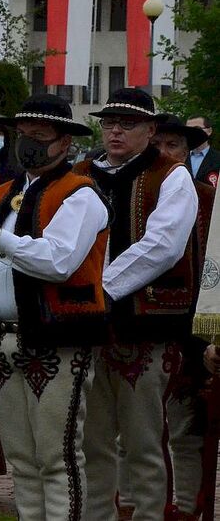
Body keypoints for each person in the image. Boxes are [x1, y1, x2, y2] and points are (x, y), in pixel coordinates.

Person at [0, 94, 110, 521]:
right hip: (2, 337)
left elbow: (58, 261)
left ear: (64, 143)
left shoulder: (80, 194)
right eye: (23, 136)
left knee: (57, 456)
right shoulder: (3, 194)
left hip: (59, 339)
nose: (28, 144)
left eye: (40, 137)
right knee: (21, 458)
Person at [75, 88, 198, 521]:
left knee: (144, 442)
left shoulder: (172, 176)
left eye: (127, 124)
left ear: (151, 130)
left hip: (145, 327)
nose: (115, 131)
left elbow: (164, 245)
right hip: (86, 328)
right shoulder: (82, 174)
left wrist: (102, 289)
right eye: (109, 122)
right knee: (93, 443)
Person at [151, 114, 214, 519]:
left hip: (191, 329)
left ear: (188, 153)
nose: (164, 154)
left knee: (186, 433)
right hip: (139, 328)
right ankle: (138, 506)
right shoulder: (129, 193)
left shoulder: (208, 199)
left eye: (173, 146)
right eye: (158, 146)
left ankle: (186, 508)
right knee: (132, 433)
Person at [186, 115, 220, 187]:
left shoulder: (218, 159)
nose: (192, 133)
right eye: (188, 129)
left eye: (197, 128)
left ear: (209, 131)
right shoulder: (179, 158)